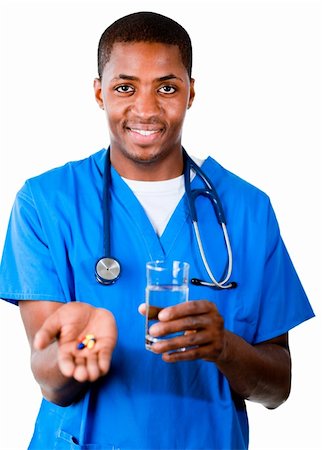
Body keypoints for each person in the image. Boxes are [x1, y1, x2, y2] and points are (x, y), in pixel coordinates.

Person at [0, 11, 315, 450]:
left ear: (191, 94)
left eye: (167, 87)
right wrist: (79, 351)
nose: (146, 109)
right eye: (125, 87)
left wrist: (223, 346)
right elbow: (52, 381)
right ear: (99, 93)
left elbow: (278, 388)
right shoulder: (45, 202)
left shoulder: (248, 209)